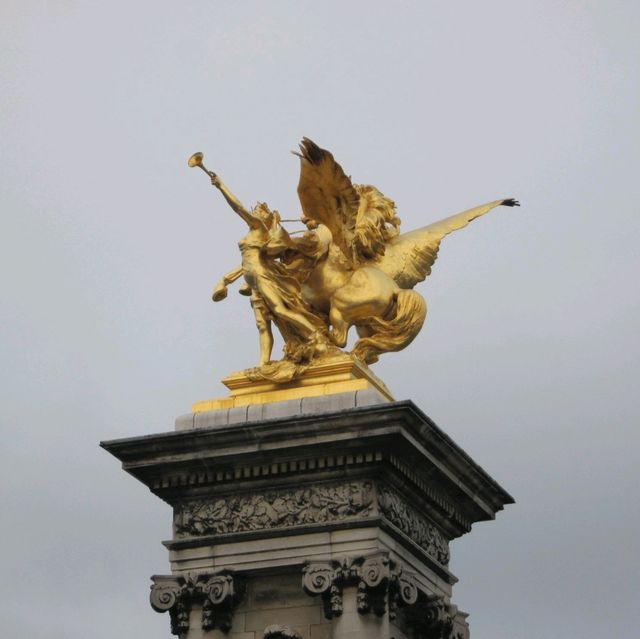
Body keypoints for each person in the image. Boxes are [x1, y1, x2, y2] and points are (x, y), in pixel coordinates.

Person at [210, 174, 330, 366]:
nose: (255, 212)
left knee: (280, 310)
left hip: (261, 276)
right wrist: (225, 281)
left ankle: (314, 334)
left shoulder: (259, 228)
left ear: (265, 216)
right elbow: (245, 264)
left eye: (259, 210)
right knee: (262, 325)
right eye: (255, 210)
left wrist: (221, 186)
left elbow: (238, 208)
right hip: (254, 283)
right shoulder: (256, 235)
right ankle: (263, 363)